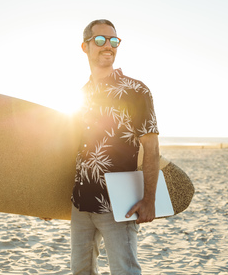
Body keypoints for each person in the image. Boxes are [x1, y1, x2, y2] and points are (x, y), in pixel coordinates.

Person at [70, 19, 160, 275]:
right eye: (100, 40)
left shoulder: (136, 91)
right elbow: (73, 151)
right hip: (81, 204)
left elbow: (151, 148)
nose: (107, 45)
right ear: (85, 47)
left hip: (118, 205)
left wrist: (149, 199)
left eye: (113, 40)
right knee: (80, 271)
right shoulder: (82, 94)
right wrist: (46, 201)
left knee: (125, 271)